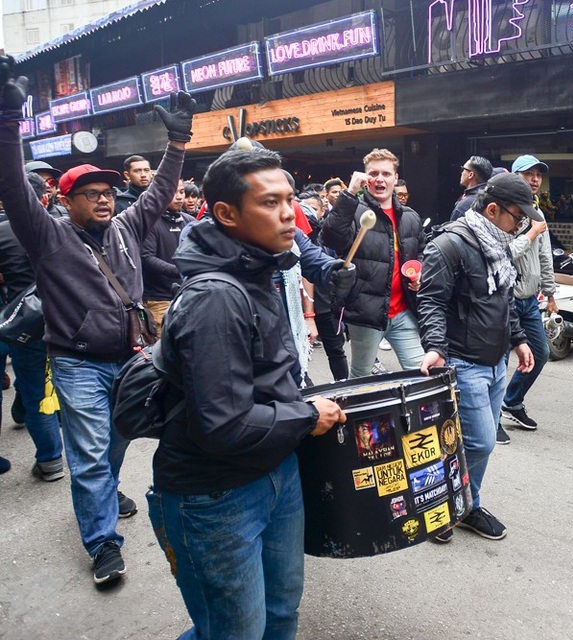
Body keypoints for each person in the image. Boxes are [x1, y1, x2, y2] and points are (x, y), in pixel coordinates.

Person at [0, 56, 196, 586]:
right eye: (93, 193)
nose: (106, 199)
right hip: (78, 365)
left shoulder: (128, 227)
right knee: (88, 453)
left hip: (132, 362)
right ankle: (103, 543)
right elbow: (13, 186)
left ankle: (103, 496)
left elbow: (156, 193)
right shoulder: (47, 235)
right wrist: (5, 118)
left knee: (114, 445)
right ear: (67, 201)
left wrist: (176, 143)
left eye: (109, 192)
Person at [147, 146, 351, 639]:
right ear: (226, 214)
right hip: (215, 496)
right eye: (269, 203)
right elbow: (222, 425)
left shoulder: (264, 267)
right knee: (232, 631)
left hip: (275, 472)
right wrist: (306, 417)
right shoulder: (215, 297)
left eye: (288, 200)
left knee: (280, 615)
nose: (288, 214)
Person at [418, 171, 536, 541]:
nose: (521, 226)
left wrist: (518, 338)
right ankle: (442, 504)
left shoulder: (497, 241)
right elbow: (431, 302)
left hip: (496, 359)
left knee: (471, 442)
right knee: (480, 441)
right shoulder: (449, 245)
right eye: (518, 217)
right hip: (463, 361)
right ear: (493, 208)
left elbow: (503, 297)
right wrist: (436, 348)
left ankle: (466, 505)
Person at [321, 148, 426, 378]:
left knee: (421, 371)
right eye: (374, 173)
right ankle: (358, 415)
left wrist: (420, 276)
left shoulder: (410, 217)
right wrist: (349, 194)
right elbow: (331, 237)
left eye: (386, 174)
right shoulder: (353, 210)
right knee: (361, 375)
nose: (380, 178)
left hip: (403, 311)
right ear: (365, 177)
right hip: (365, 313)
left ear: (395, 178)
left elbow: (422, 255)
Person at [0, 172, 65, 481]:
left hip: (26, 322)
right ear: (45, 197)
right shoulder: (65, 227)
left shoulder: (3, 232)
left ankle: (52, 460)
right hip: (69, 318)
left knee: (36, 389)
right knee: (72, 385)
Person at [499, 154, 557, 433]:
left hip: (530, 300)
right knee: (497, 360)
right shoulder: (504, 212)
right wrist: (531, 233)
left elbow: (545, 257)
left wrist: (550, 293)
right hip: (505, 298)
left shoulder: (538, 214)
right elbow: (503, 256)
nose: (534, 179)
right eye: (528, 174)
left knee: (540, 353)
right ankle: (491, 416)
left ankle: (512, 401)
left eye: (538, 174)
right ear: (514, 177)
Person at [140, 179, 193, 335]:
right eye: (173, 193)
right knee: (162, 349)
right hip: (159, 299)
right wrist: (180, 271)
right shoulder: (150, 222)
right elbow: (147, 258)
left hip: (188, 295)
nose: (179, 197)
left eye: (181, 192)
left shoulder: (190, 221)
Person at [451, 155, 493, 221]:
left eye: (463, 169)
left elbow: (453, 230)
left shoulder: (463, 206)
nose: (461, 173)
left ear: (470, 175)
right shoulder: (494, 199)